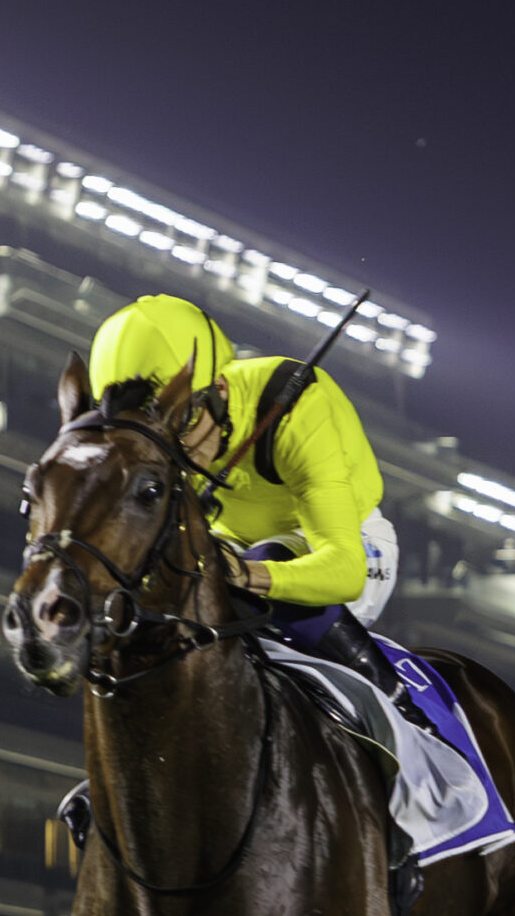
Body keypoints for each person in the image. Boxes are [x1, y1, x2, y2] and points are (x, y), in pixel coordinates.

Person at [82, 294, 412, 721]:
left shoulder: (297, 411)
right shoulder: (167, 449)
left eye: (181, 423)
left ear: (218, 391)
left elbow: (346, 571)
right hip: (235, 549)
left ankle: (393, 698)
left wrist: (245, 574)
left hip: (354, 551)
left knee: (265, 555)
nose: (174, 450)